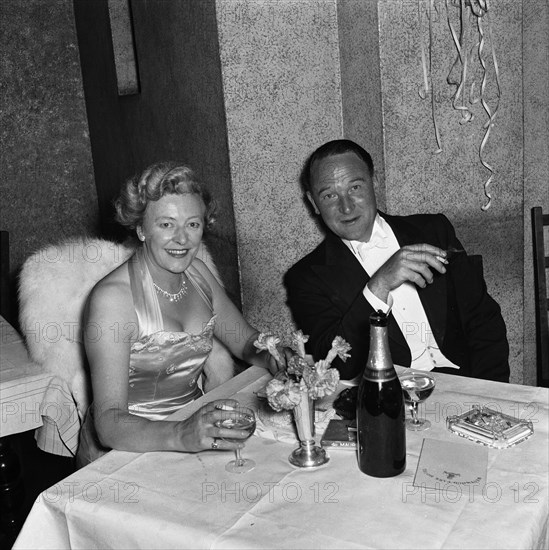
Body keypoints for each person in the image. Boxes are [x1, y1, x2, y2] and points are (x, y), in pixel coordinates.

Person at [77, 162, 287, 466]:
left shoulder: (198, 274)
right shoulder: (112, 300)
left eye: (192, 224)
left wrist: (278, 356)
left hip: (190, 429)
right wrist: (181, 434)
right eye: (166, 224)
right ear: (141, 228)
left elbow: (246, 341)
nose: (182, 239)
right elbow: (109, 423)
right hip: (125, 451)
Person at [284, 139, 509, 383]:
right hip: (388, 402)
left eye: (355, 188)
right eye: (329, 195)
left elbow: (484, 321)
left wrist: (492, 391)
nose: (346, 207)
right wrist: (378, 286)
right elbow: (337, 366)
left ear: (375, 183)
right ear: (314, 203)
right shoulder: (305, 277)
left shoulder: (434, 230)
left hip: (467, 384)